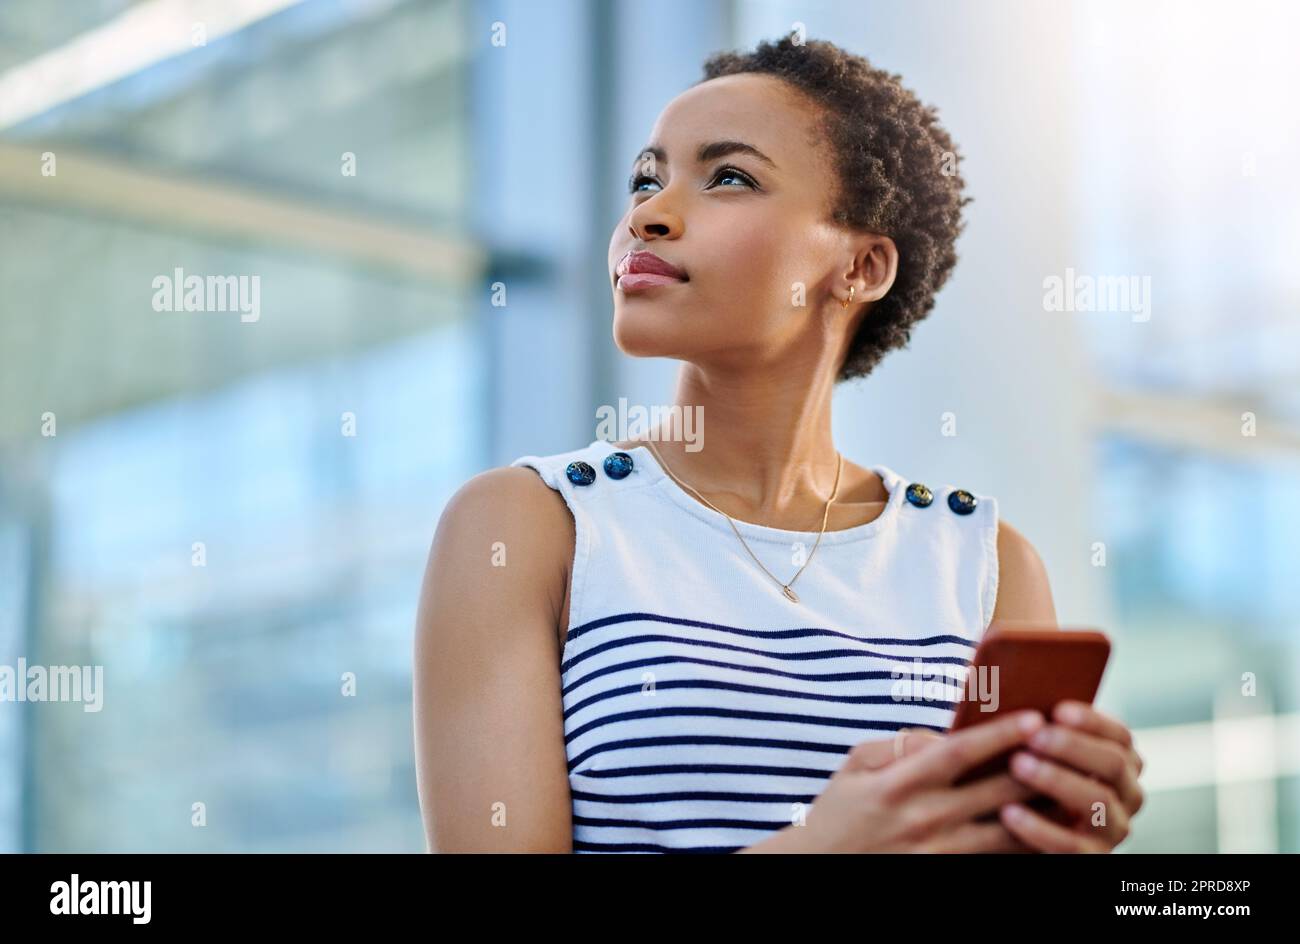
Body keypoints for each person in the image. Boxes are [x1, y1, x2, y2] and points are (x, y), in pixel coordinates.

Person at [414, 34, 1143, 853]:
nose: (646, 214)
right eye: (647, 179)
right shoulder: (524, 526)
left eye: (728, 178)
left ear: (862, 267)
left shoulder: (986, 563)